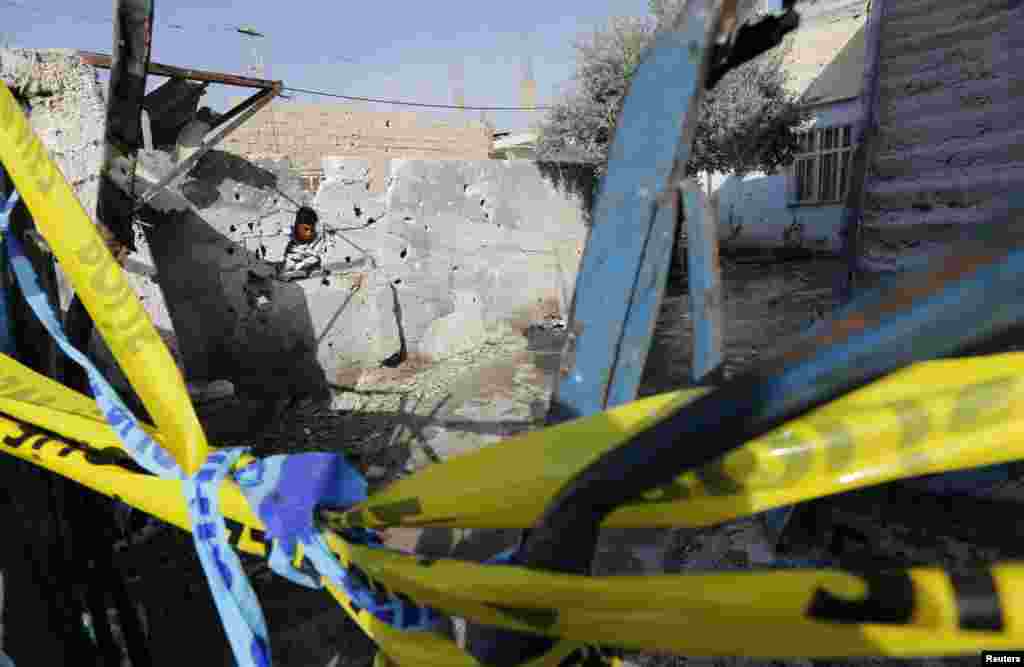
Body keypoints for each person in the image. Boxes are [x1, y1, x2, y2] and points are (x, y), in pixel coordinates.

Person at [278, 206, 327, 280]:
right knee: (289, 262)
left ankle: (307, 270)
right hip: (294, 257)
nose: (309, 232)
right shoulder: (293, 236)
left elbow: (319, 254)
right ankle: (290, 272)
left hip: (309, 258)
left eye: (311, 229)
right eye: (306, 229)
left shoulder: (316, 238)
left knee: (314, 260)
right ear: (297, 226)